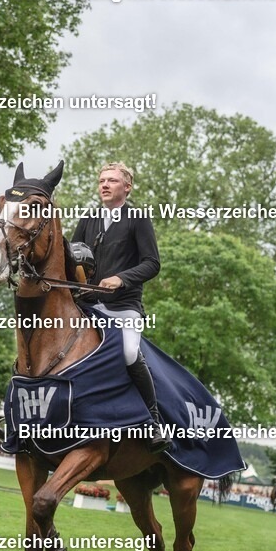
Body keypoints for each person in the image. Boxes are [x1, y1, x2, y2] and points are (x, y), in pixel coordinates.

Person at [71, 161, 170, 453]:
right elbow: (72, 257)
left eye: (112, 180)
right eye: (101, 180)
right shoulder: (88, 218)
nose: (104, 184)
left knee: (128, 353)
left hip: (124, 306)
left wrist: (121, 279)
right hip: (88, 305)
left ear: (127, 187)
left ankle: (153, 421)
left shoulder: (138, 218)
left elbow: (152, 263)